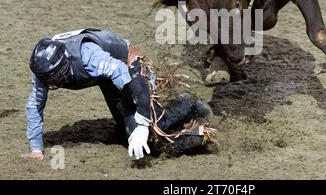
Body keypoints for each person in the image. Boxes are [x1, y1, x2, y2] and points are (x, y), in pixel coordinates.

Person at [22, 28, 215, 161]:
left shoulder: (88, 56)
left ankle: (190, 104)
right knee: (127, 135)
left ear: (65, 62)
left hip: (128, 64)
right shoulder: (43, 72)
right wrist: (36, 149)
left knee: (151, 132)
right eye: (47, 79)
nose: (50, 83)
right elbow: (34, 106)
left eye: (54, 78)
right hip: (104, 77)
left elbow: (130, 79)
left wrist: (143, 123)